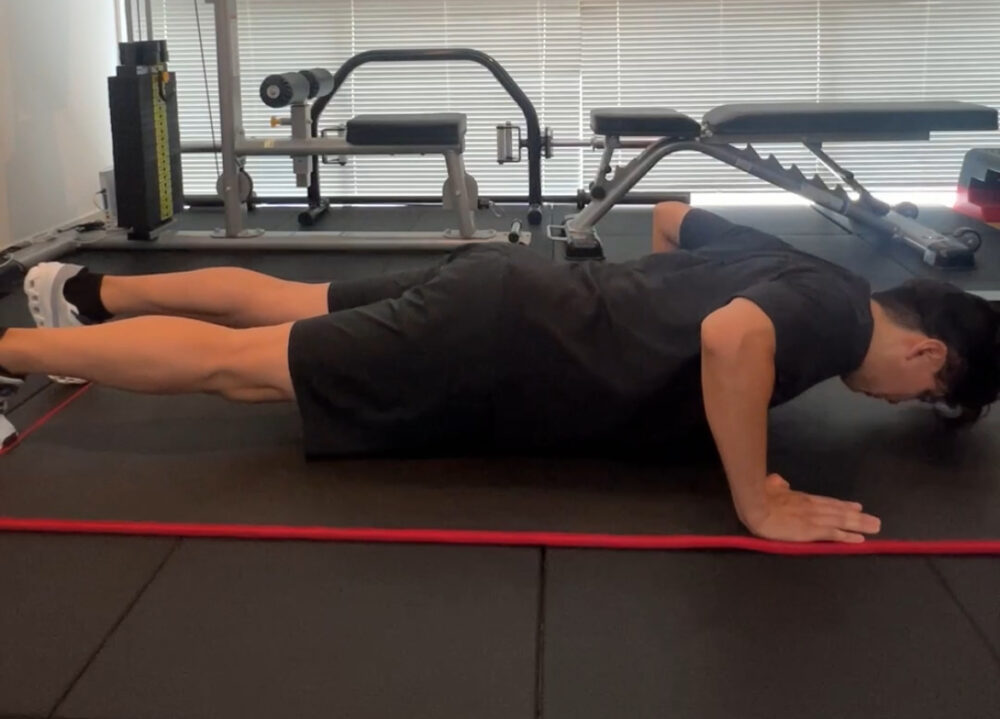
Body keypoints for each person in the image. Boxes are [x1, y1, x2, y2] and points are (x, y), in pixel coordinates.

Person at [0, 203, 996, 544]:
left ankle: (79, 289)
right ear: (928, 355)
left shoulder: (820, 274)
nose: (901, 404)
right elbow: (734, 339)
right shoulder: (832, 322)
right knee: (239, 369)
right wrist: (758, 499)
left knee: (283, 299)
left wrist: (641, 310)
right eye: (926, 399)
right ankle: (9, 352)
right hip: (492, 340)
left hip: (507, 289)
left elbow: (671, 219)